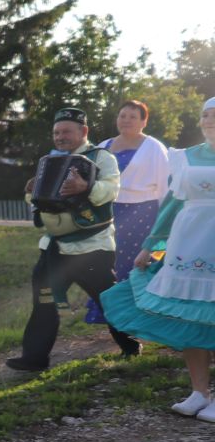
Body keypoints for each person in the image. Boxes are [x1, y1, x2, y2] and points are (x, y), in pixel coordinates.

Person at [102, 97, 215, 421]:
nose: (209, 121)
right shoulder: (184, 158)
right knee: (190, 319)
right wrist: (150, 246)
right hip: (189, 242)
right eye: (205, 115)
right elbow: (170, 206)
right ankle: (199, 392)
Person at [6, 107, 142, 372]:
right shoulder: (50, 161)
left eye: (66, 131)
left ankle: (130, 344)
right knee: (44, 300)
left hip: (92, 247)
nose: (60, 137)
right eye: (57, 132)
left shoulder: (101, 158)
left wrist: (87, 187)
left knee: (107, 300)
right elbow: (41, 202)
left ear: (84, 132)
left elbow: (112, 190)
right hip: (54, 247)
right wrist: (29, 193)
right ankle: (34, 359)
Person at [84, 99, 170, 325]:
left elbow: (165, 187)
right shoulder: (102, 146)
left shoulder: (154, 148)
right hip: (109, 213)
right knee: (107, 264)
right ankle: (114, 318)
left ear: (144, 121)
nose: (127, 120)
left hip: (145, 214)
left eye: (133, 116)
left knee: (138, 264)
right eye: (123, 115)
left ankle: (144, 318)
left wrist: (165, 225)